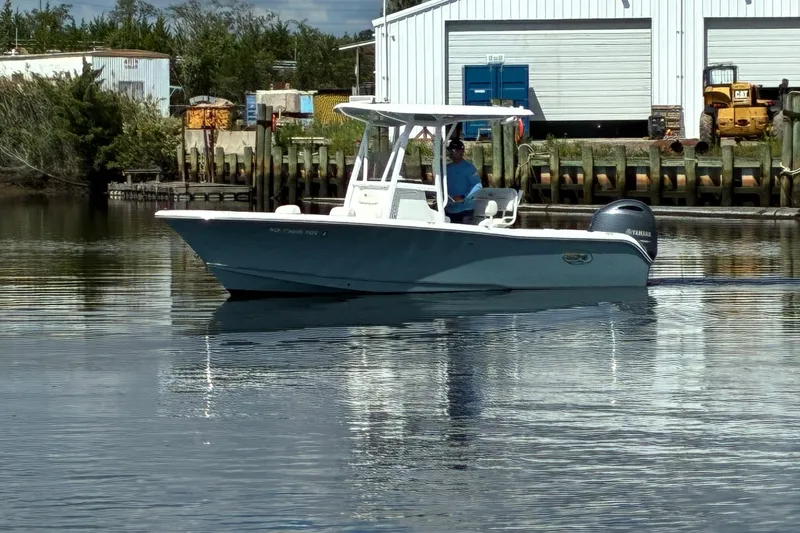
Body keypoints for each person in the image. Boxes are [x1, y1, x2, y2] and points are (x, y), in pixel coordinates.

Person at [444, 138, 482, 223]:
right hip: (449, 209)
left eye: (452, 151)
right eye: (449, 151)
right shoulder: (446, 168)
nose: (450, 153)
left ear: (461, 152)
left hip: (465, 210)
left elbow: (478, 186)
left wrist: (463, 197)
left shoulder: (469, 168)